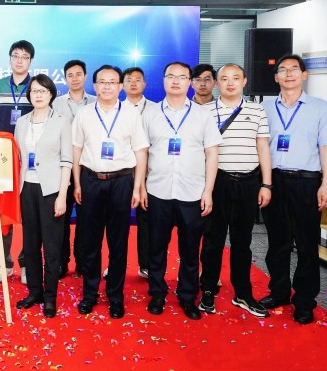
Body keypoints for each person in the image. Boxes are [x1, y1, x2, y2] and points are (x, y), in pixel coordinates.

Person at [260, 54, 327, 324]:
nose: (289, 74)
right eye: (283, 70)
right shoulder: (265, 108)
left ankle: (305, 300)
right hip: (273, 181)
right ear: (276, 77)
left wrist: (326, 184)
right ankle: (279, 292)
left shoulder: (320, 108)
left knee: (307, 244)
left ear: (304, 75)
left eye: (294, 69)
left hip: (307, 182)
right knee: (277, 242)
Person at [143, 62, 221, 320]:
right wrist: (140, 186)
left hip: (192, 193)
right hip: (158, 191)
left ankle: (188, 296)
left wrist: (208, 191)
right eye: (171, 76)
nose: (176, 81)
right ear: (163, 80)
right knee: (156, 247)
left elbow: (212, 153)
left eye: (182, 77)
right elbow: (142, 153)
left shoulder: (202, 115)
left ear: (189, 82)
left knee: (190, 249)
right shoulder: (150, 113)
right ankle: (157, 293)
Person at [72, 65, 149, 319]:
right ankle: (89, 294)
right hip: (91, 180)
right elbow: (76, 149)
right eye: (102, 82)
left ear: (120, 86)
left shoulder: (131, 114)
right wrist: (78, 183)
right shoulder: (84, 113)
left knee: (118, 242)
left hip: (121, 182)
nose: (107, 86)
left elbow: (140, 151)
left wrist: (138, 186)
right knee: (90, 242)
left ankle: (115, 296)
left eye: (112, 82)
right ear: (95, 86)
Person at [198, 63, 272, 318]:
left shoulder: (257, 110)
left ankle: (243, 293)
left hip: (249, 182)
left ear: (244, 81)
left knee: (243, 241)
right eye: (225, 79)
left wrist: (266, 184)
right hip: (217, 181)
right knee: (213, 240)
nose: (230, 83)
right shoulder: (205, 111)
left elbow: (263, 148)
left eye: (236, 78)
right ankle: (208, 289)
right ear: (216, 83)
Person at [14, 74, 72, 318]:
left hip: (51, 190)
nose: (38, 95)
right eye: (34, 91)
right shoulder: (22, 122)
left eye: (43, 91)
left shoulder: (61, 121)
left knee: (51, 246)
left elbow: (67, 161)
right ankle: (34, 292)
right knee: (30, 244)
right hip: (27, 188)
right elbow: (18, 158)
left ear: (51, 94)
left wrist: (62, 195)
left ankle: (50, 297)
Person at [0, 40, 35, 284]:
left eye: (25, 57)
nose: (19, 60)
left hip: (30, 157)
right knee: (3, 211)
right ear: (9, 59)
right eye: (16, 55)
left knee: (29, 212)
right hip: (4, 157)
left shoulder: (37, 86)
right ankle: (4, 263)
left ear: (30, 61)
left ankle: (26, 263)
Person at [51, 59, 95, 278]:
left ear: (85, 76)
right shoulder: (56, 104)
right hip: (62, 167)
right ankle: (61, 262)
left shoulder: (96, 102)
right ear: (65, 78)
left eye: (79, 74)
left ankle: (82, 261)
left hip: (88, 166)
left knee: (87, 218)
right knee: (61, 217)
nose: (75, 78)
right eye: (70, 75)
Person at [122, 66, 154, 280]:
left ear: (145, 84)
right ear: (122, 85)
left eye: (138, 79)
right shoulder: (115, 108)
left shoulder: (156, 109)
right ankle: (116, 266)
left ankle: (146, 265)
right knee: (117, 222)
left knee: (146, 221)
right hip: (121, 173)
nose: (133, 83)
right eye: (129, 79)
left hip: (149, 172)